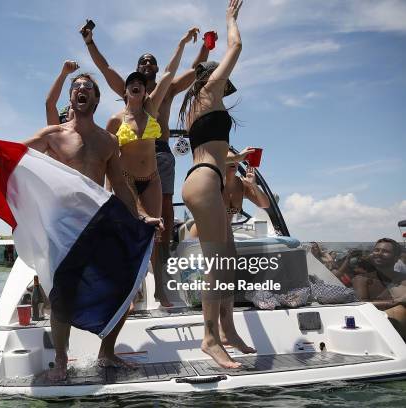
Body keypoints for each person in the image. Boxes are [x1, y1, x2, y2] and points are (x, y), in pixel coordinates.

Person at [0, 73, 162, 380]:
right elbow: (9, 156)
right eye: (76, 88)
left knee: (125, 286)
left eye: (87, 88)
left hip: (98, 223)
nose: (81, 91)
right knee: (61, 296)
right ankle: (62, 361)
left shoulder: (108, 141)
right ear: (71, 99)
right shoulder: (53, 135)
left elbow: (121, 184)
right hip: (62, 228)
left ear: (96, 99)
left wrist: (142, 217)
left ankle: (107, 353)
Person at [82, 21, 212, 307]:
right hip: (126, 177)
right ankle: (132, 286)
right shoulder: (117, 116)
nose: (138, 82)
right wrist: (90, 43)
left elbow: (174, 72)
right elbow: (105, 70)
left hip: (154, 172)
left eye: (151, 63)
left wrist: (186, 43)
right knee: (128, 230)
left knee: (158, 228)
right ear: (127, 90)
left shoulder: (155, 103)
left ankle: (160, 288)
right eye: (132, 83)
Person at [178, 0, 256, 369]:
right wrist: (230, 20)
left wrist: (236, 161)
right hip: (205, 183)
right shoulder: (208, 92)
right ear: (211, 79)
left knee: (229, 259)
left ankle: (227, 328)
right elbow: (236, 47)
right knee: (218, 261)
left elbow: (210, 151)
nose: (226, 90)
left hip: (204, 177)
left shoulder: (198, 107)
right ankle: (209, 338)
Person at [189, 152, 270, 239]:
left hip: (225, 234)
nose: (234, 162)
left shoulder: (242, 185)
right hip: (201, 234)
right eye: (231, 159)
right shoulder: (212, 183)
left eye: (236, 159)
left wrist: (253, 185)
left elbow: (265, 204)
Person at [352, 238, 406, 340]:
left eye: (385, 251)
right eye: (376, 250)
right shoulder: (361, 279)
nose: (379, 253)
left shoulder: (403, 279)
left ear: (396, 258)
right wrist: (395, 302)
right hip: (377, 332)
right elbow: (362, 304)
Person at [46, 60, 79, 125]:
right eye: (72, 107)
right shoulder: (58, 131)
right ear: (65, 118)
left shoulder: (97, 134)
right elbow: (50, 104)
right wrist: (64, 73)